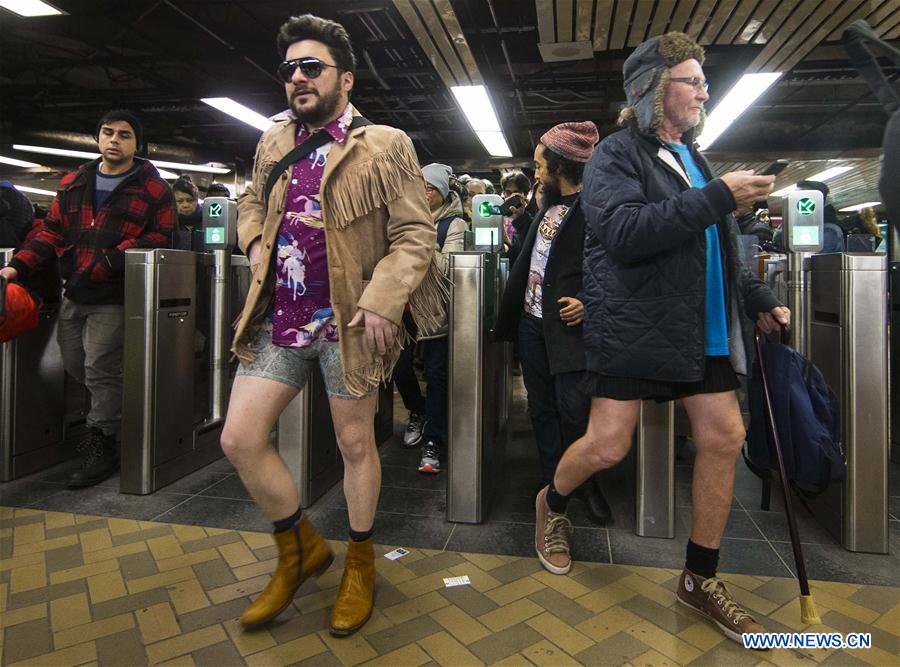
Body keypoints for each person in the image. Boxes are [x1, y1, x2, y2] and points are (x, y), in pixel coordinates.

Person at [534, 32, 789, 645]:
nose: (703, 91)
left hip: (700, 328)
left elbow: (718, 248)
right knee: (607, 445)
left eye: (704, 81)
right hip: (635, 323)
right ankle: (552, 502)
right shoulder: (615, 155)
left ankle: (699, 577)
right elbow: (624, 232)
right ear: (653, 88)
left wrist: (758, 299)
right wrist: (717, 196)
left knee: (725, 436)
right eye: (691, 80)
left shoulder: (695, 159)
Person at [221, 13, 444, 636]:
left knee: (355, 445)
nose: (298, 77)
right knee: (239, 438)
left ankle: (359, 562)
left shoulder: (385, 145)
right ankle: (299, 549)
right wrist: (254, 242)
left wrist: (384, 298)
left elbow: (414, 233)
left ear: (345, 78)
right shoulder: (273, 140)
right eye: (290, 68)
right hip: (280, 316)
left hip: (349, 324)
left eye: (311, 66)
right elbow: (251, 200)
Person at [0, 110, 175, 487]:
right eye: (108, 132)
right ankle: (115, 415)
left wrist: (112, 259)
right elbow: (50, 233)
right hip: (74, 290)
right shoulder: (74, 181)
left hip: (115, 293)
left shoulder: (153, 188)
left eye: (124, 135)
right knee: (74, 363)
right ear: (98, 138)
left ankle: (103, 440)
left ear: (137, 144)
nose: (115, 140)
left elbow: (162, 235)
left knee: (99, 367)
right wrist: (15, 268)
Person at [495, 122, 611, 526]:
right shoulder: (546, 205)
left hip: (568, 327)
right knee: (541, 407)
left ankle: (586, 483)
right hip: (533, 324)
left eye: (541, 164)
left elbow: (613, 266)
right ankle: (553, 484)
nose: (537, 170)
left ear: (561, 165)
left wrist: (589, 302)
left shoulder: (596, 208)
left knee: (574, 410)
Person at [414, 163, 465, 473]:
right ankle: (417, 411)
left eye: (429, 188)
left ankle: (433, 438)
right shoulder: (406, 216)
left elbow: (448, 269)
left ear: (442, 193)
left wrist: (424, 240)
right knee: (398, 368)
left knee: (435, 376)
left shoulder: (454, 224)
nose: (422, 193)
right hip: (402, 307)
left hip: (435, 312)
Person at [172, 175, 202, 250]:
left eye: (190, 200)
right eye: (180, 201)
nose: (185, 205)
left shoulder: (209, 221)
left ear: (197, 200)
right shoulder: (169, 224)